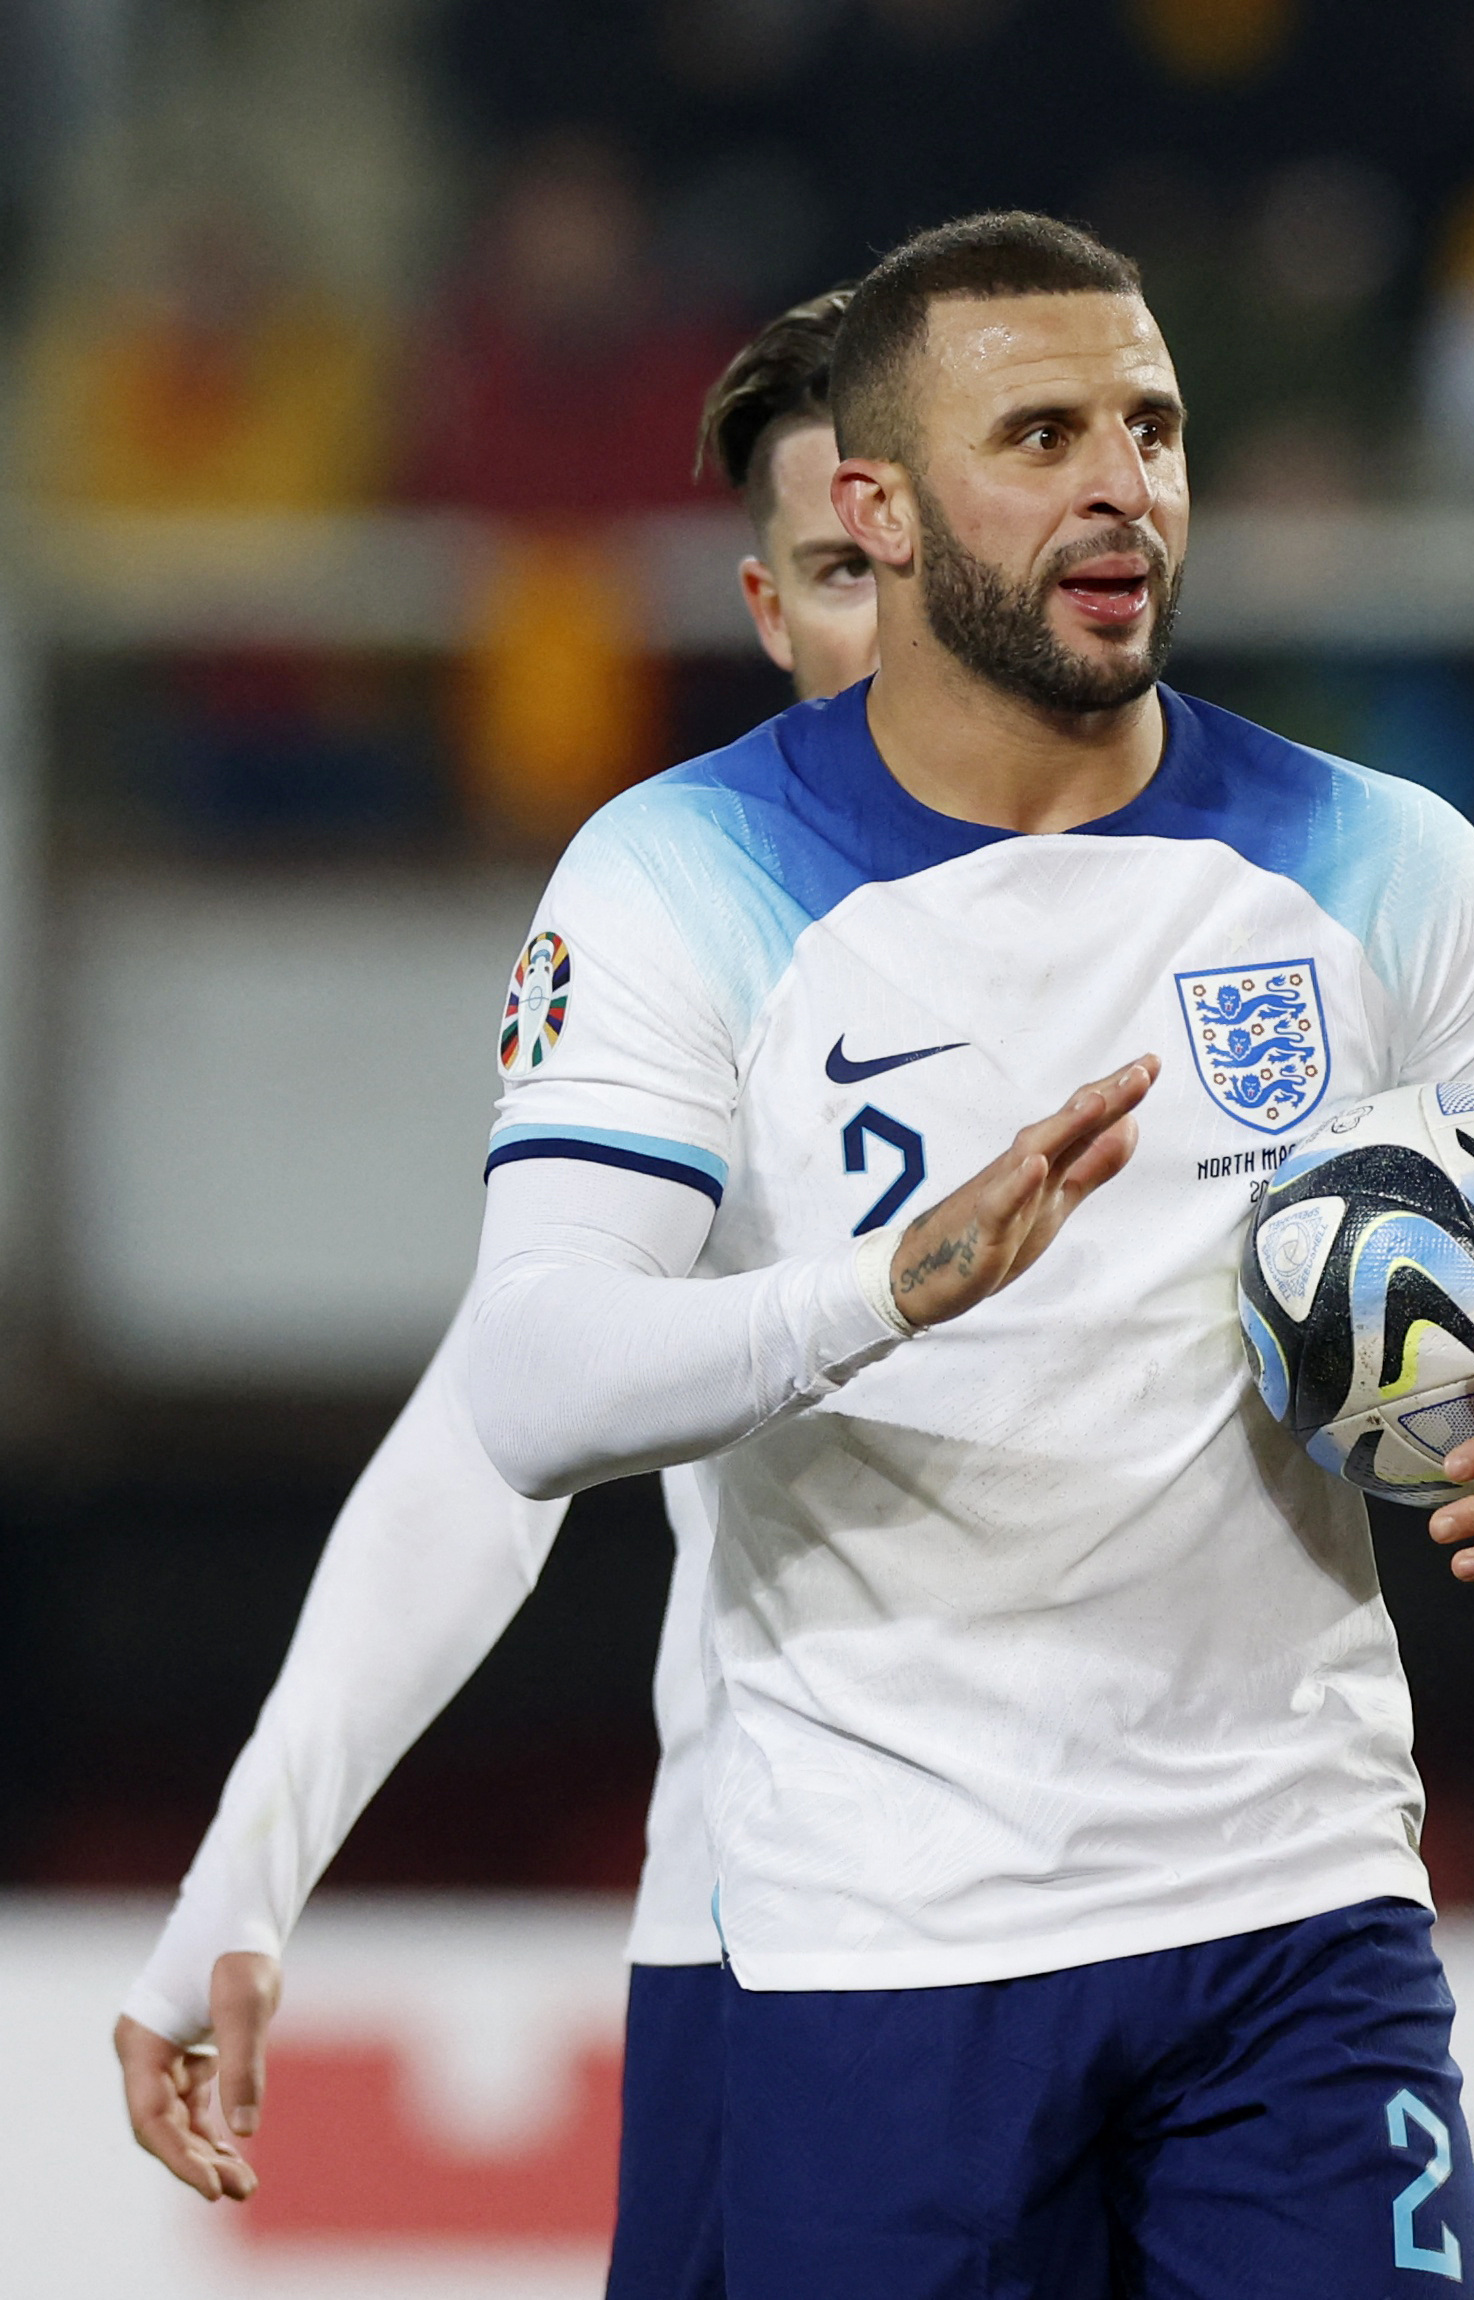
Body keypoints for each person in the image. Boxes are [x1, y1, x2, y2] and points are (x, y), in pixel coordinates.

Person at [455, 209, 1474, 2298]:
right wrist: (881, 1288)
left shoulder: (1380, 861)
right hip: (890, 1941)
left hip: (1300, 1913)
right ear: (870, 505)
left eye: (1146, 426)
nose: (1116, 481)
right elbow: (532, 1377)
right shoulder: (679, 870)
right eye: (1037, 433)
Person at [112, 289, 875, 2300]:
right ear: (768, 609)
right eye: (834, 571)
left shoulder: (1286, 887)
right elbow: (498, 1425)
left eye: (922, 558)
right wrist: (245, 1875)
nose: (892, 619)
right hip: (797, 1950)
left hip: (1237, 1927)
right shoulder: (687, 917)